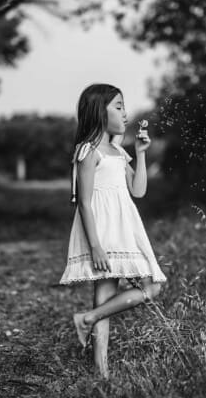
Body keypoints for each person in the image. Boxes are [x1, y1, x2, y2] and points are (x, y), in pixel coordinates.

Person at [59, 84, 167, 379]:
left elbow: (139, 190)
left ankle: (88, 319)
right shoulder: (88, 151)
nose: (125, 112)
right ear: (99, 111)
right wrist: (95, 246)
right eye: (118, 106)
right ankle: (101, 372)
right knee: (113, 291)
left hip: (125, 227)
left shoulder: (118, 151)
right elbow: (83, 202)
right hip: (104, 231)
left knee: (148, 288)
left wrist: (141, 154)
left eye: (123, 106)